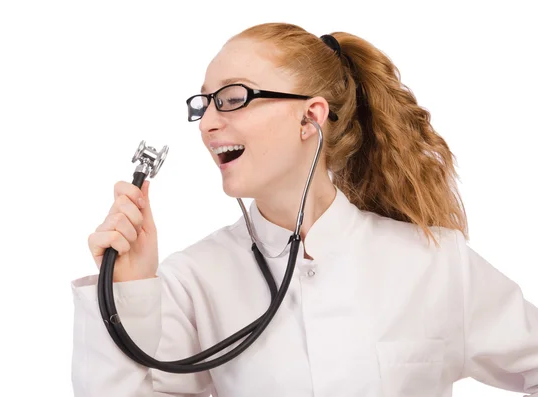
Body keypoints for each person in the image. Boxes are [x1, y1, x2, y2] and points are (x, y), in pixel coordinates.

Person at [70, 22, 538, 397]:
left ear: (310, 117)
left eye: (233, 98)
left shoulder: (434, 262)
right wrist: (128, 291)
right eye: (204, 105)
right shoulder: (194, 279)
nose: (209, 123)